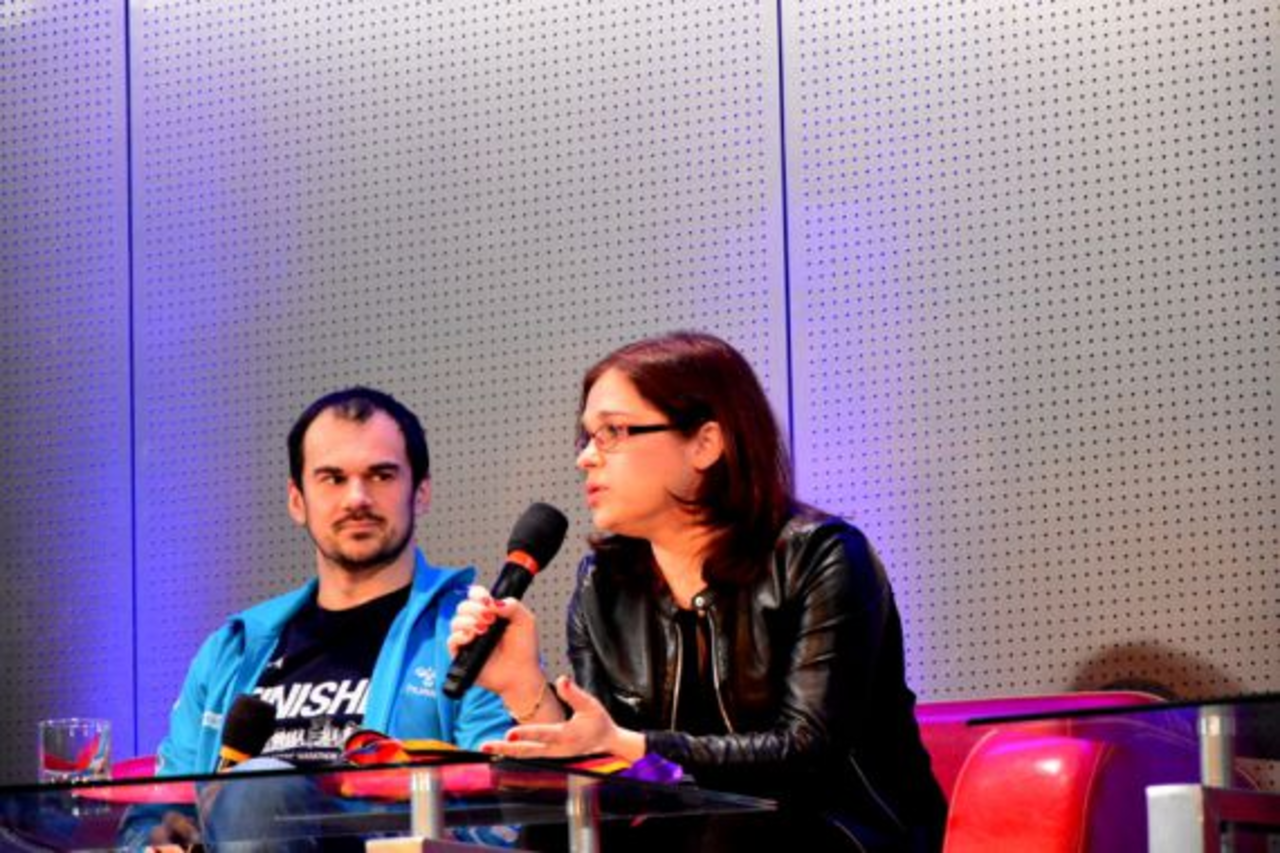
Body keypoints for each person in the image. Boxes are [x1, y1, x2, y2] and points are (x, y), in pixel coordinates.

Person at [449, 332, 948, 852]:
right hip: (693, 834)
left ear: (706, 444)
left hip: (830, 834)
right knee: (554, 833)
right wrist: (523, 686)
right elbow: (601, 763)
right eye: (587, 437)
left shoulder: (821, 555)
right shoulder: (603, 585)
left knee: (737, 831)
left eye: (613, 431)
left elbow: (807, 753)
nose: (587, 458)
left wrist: (636, 746)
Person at [133, 387, 512, 850]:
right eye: (332, 478)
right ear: (297, 500)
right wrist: (153, 843)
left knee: (261, 785)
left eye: (381, 475)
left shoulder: (471, 634)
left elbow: (506, 818)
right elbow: (152, 814)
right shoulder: (231, 650)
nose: (357, 498)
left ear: (421, 493)